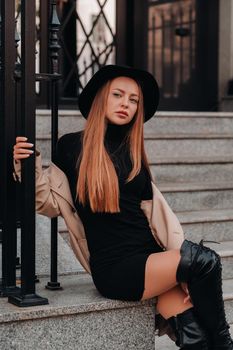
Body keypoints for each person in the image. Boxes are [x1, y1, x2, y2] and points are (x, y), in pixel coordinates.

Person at [13, 65, 233, 349]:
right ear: (101, 98)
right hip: (116, 268)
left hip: (152, 261)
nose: (125, 104)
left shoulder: (133, 151)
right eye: (118, 95)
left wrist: (176, 269)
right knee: (206, 261)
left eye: (133, 100)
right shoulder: (71, 147)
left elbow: (150, 219)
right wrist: (26, 164)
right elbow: (48, 203)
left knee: (197, 338)